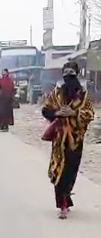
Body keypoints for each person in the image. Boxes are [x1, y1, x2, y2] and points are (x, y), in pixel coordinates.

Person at [42, 62, 94, 219]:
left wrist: (73, 113)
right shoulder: (57, 93)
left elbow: (89, 114)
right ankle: (63, 205)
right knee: (59, 170)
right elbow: (45, 109)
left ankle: (65, 200)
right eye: (66, 74)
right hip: (59, 140)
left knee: (70, 171)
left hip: (75, 140)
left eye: (71, 74)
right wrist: (58, 113)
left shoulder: (83, 95)